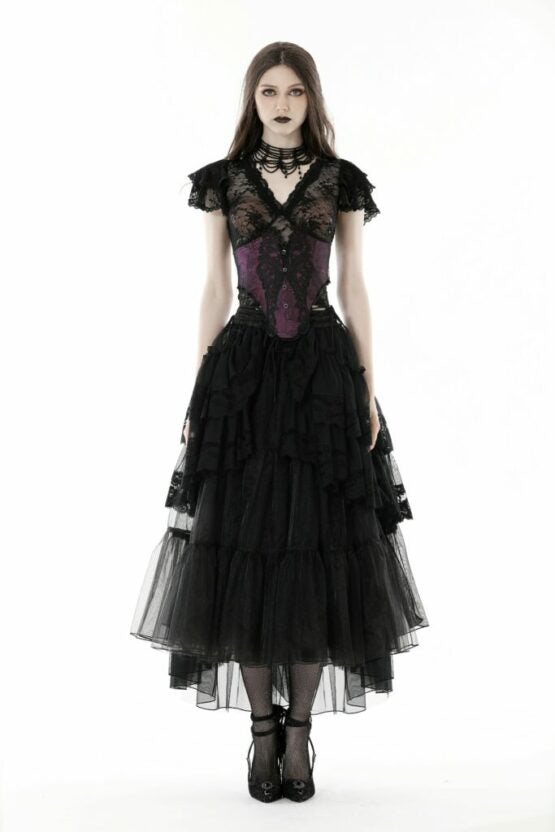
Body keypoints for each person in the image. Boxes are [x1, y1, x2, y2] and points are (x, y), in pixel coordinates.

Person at [130, 41, 429, 804]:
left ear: (310, 98)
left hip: (324, 374)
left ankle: (299, 733)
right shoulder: (222, 181)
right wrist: (201, 392)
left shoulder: (340, 179)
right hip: (243, 375)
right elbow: (212, 287)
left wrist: (367, 388)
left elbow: (354, 286)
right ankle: (261, 730)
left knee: (320, 549)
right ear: (252, 98)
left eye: (294, 91)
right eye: (269, 91)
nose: (282, 103)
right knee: (243, 548)